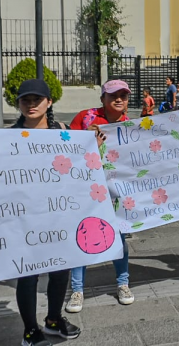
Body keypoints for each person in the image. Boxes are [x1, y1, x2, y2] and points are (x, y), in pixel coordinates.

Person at [10, 79, 82, 345]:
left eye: (37, 100)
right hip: (25, 219)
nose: (31, 105)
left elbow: (80, 164)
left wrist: (93, 143)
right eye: (25, 100)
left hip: (58, 215)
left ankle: (53, 319)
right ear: (18, 103)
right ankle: (30, 330)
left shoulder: (63, 131)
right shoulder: (7, 138)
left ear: (49, 102)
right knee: (28, 274)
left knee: (61, 270)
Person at [66, 80, 135, 313]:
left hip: (116, 192)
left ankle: (123, 284)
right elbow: (67, 152)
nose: (119, 99)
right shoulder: (85, 118)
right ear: (103, 99)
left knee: (119, 238)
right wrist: (86, 143)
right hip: (86, 189)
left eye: (123, 95)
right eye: (113, 95)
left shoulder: (131, 125)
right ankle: (77, 290)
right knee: (83, 235)